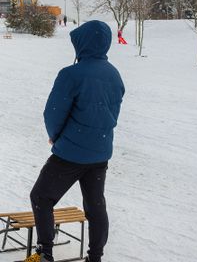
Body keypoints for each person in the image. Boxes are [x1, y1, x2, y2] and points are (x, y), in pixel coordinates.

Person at [26, 21, 125, 262]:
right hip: (100, 153)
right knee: (95, 205)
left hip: (70, 153)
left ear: (83, 43)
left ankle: (45, 252)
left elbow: (54, 112)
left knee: (41, 197)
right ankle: (95, 257)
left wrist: (55, 136)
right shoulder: (114, 74)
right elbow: (112, 113)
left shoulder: (71, 74)